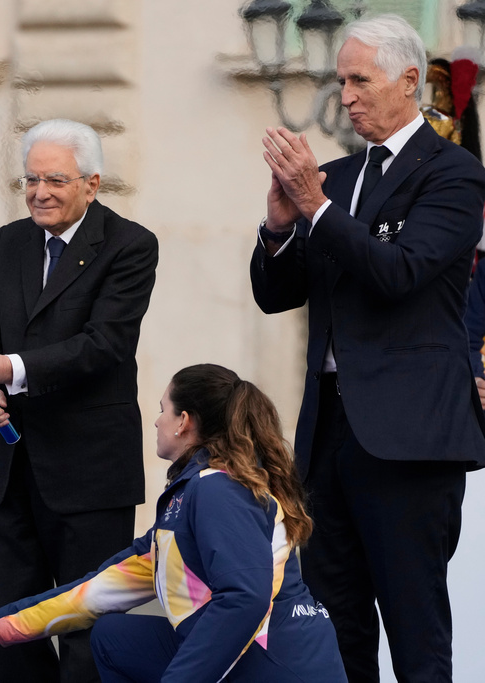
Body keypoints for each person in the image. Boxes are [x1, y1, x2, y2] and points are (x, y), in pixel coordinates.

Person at [251, 14, 485, 682]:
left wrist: (317, 207)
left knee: (415, 634)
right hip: (328, 432)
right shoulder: (333, 176)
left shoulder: (454, 173)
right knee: (334, 627)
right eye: (342, 82)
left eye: (360, 80)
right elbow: (276, 294)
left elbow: (398, 273)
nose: (346, 96)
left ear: (409, 80)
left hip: (409, 438)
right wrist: (278, 227)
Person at [0, 364, 346, 682]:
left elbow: (246, 598)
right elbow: (92, 592)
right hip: (258, 653)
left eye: (162, 409)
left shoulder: (217, 489)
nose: (156, 421)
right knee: (113, 637)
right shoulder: (193, 495)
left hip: (279, 663)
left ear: (183, 421)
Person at [0, 118, 158, 682]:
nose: (39, 192)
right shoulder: (9, 241)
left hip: (89, 472)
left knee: (87, 629)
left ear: (92, 183)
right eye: (31, 180)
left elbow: (105, 345)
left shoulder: (130, 245)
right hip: (11, 468)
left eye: (55, 180)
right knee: (16, 628)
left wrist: (9, 369)